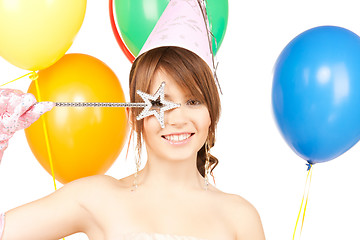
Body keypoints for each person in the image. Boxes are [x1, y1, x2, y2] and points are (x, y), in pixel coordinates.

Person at [0, 45, 264, 240]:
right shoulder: (95, 196)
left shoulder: (240, 215)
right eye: (161, 103)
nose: (178, 119)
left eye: (193, 101)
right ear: (134, 116)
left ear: (212, 113)